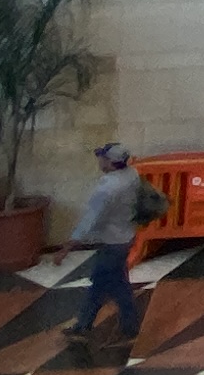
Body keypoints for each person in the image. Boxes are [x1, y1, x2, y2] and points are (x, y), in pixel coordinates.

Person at [60, 141, 151, 354]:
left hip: (112, 243)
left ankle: (125, 329)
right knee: (107, 284)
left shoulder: (108, 188)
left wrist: (67, 247)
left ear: (110, 163)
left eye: (102, 157)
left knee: (111, 286)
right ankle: (83, 326)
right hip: (126, 237)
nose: (99, 160)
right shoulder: (132, 175)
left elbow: (90, 219)